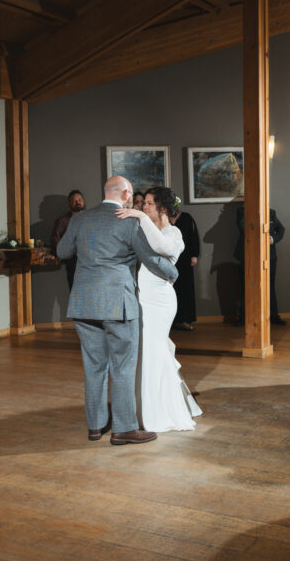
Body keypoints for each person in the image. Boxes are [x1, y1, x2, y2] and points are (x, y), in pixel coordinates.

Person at [57, 175, 178, 445]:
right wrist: (173, 273)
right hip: (118, 304)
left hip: (84, 303)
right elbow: (151, 257)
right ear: (125, 195)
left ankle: (96, 426)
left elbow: (63, 251)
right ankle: (124, 429)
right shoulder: (129, 220)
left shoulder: (79, 219)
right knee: (122, 367)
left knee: (94, 366)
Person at [118, 187, 202, 432]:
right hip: (141, 298)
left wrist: (141, 218)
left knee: (154, 351)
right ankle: (142, 407)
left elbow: (163, 248)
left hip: (160, 301)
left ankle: (160, 411)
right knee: (145, 352)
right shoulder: (145, 229)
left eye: (150, 203)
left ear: (163, 208)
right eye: (144, 204)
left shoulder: (173, 232)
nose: (145, 207)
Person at [235, 206, 286, 325]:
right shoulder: (243, 211)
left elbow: (281, 229)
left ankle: (273, 316)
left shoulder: (271, 212)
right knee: (246, 286)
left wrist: (273, 239)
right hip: (249, 255)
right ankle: (243, 318)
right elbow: (243, 228)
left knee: (270, 286)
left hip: (269, 255)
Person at [49, 189, 85, 289]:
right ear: (69, 204)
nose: (78, 202)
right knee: (77, 295)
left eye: (80, 199)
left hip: (93, 262)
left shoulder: (91, 219)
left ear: (83, 202)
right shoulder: (62, 221)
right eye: (74, 200)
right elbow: (54, 240)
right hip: (75, 262)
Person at [172, 209, 200, 331]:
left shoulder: (187, 217)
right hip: (170, 258)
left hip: (185, 258)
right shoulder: (163, 218)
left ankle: (185, 319)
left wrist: (194, 255)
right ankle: (173, 320)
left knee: (186, 289)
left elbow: (194, 236)